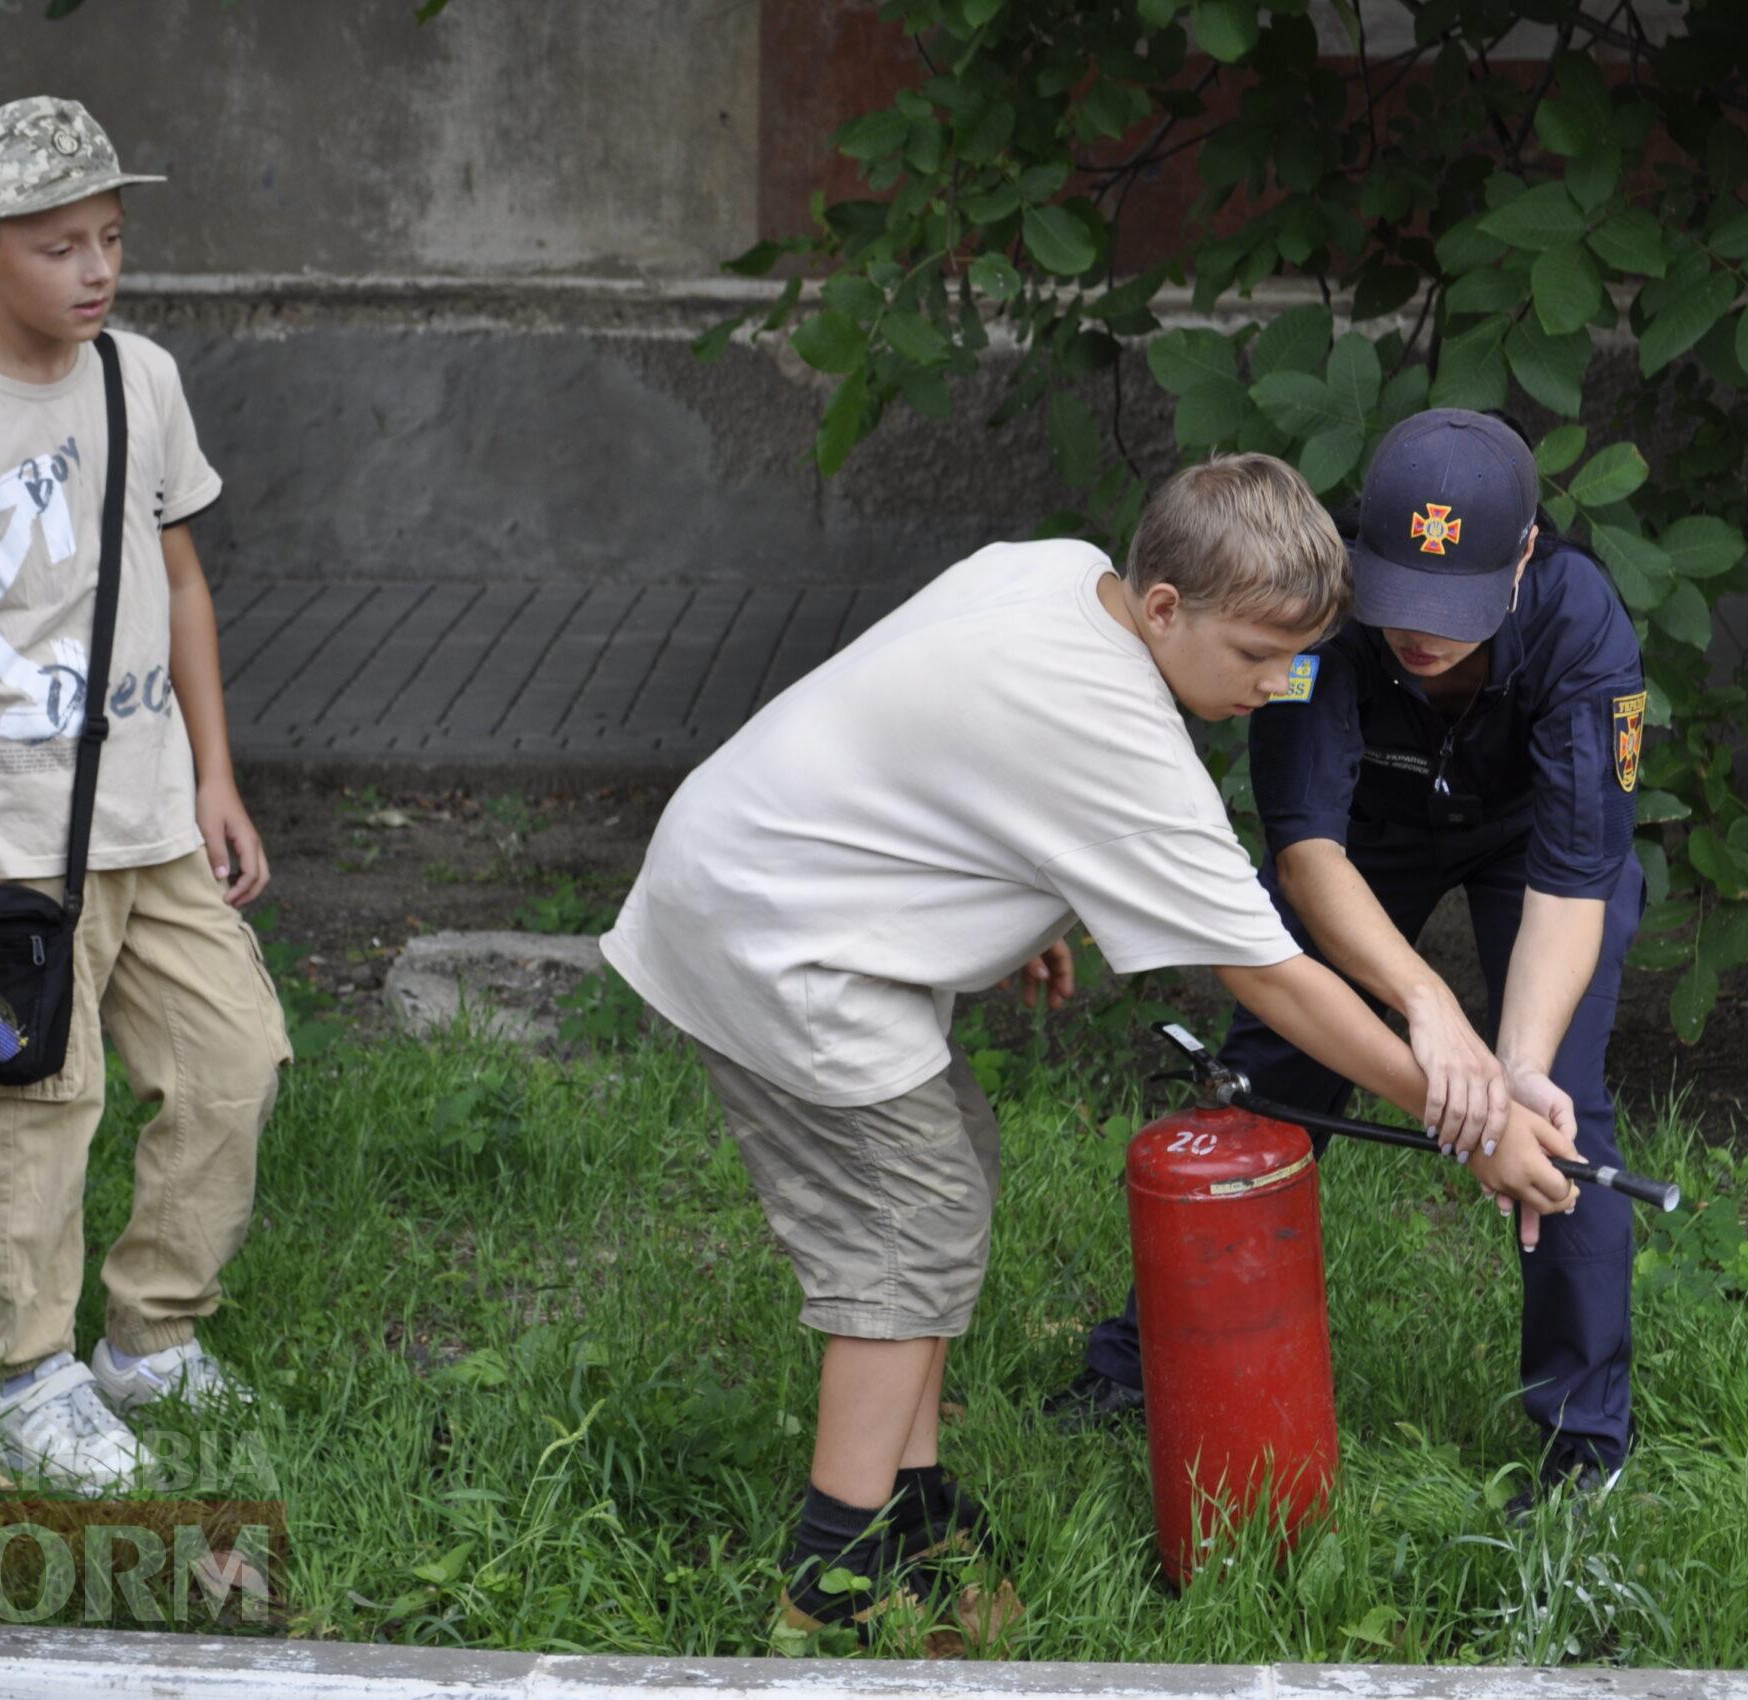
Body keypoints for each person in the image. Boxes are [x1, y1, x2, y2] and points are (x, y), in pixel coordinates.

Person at [599, 453, 1586, 1644]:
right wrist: (1460, 1112)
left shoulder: (1063, 573)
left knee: (946, 1170)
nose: (1281, 686)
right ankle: (834, 1567)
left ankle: (907, 1502)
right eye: (1256, 655)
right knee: (911, 1214)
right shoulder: (1117, 738)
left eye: (1300, 658)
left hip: (770, 874)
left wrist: (1009, 893)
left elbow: (943, 741)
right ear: (1164, 607)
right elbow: (1269, 975)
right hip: (775, 937)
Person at [1049, 411, 1649, 1514]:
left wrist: (1510, 1067)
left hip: (1532, 844)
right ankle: (1139, 1361)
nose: (1420, 635)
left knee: (1563, 1112)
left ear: (1521, 557)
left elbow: (1577, 878)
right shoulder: (1310, 610)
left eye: (1453, 610)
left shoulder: (1583, 625)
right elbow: (1306, 847)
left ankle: (1584, 1442)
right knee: (1270, 1081)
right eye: (1399, 603)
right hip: (1358, 839)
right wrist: (1425, 1008)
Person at [0, 97, 290, 1497]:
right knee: (36, 1107)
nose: (94, 270)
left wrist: (217, 775)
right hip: (20, 835)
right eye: (56, 247)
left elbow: (187, 582)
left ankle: (150, 1340)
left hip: (156, 817)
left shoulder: (138, 376)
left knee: (236, 1064)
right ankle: (28, 1379)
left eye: (109, 238)